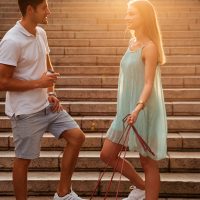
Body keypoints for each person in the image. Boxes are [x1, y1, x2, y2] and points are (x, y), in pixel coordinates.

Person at [0, 0, 86, 200]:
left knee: (77, 137)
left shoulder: (41, 33)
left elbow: (47, 67)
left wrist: (51, 92)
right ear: (30, 9)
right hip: (25, 112)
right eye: (44, 8)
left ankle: (63, 193)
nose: (49, 11)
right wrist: (38, 83)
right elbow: (2, 82)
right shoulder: (12, 41)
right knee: (23, 160)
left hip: (47, 106)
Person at [100, 0, 167, 199]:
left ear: (144, 18)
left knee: (148, 162)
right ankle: (140, 186)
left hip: (143, 109)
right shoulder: (132, 44)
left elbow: (148, 83)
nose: (126, 17)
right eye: (127, 13)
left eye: (132, 14)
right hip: (125, 111)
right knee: (107, 155)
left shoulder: (150, 47)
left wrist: (138, 108)